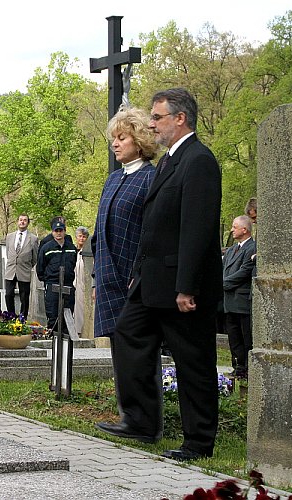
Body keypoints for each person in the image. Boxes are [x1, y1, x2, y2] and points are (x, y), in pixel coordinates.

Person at [96, 88, 222, 462]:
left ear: (179, 118)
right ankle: (141, 421)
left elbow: (197, 229)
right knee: (128, 333)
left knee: (192, 362)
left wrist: (186, 286)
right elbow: (153, 227)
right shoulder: (171, 161)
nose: (152, 123)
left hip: (182, 286)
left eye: (157, 117)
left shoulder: (198, 161)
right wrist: (137, 274)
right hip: (151, 281)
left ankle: (198, 441)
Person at [90, 107, 158, 354]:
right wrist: (96, 281)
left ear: (139, 141)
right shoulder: (112, 179)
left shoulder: (152, 177)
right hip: (108, 280)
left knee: (138, 356)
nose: (115, 145)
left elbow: (151, 233)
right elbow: (99, 234)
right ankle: (123, 395)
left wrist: (139, 275)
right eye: (113, 139)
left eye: (122, 138)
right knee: (119, 356)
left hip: (133, 282)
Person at [223, 215, 256, 379]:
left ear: (244, 229)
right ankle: (238, 366)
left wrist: (222, 284)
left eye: (234, 227)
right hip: (229, 300)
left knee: (245, 336)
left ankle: (247, 368)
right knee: (233, 336)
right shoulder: (231, 250)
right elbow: (224, 269)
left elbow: (243, 272)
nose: (232, 230)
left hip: (241, 300)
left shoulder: (252, 248)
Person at [36, 218, 77, 333]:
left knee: (67, 314)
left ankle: (65, 343)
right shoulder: (47, 248)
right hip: (52, 284)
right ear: (52, 232)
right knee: (53, 314)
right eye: (56, 231)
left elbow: (74, 263)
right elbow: (40, 267)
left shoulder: (71, 248)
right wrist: (47, 280)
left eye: (61, 230)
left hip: (68, 285)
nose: (59, 233)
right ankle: (53, 341)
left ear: (65, 231)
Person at [4, 214, 38, 319]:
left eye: (25, 220)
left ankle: (23, 317)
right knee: (8, 294)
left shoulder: (33, 238)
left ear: (28, 223)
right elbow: (8, 252)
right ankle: (11, 316)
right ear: (17, 222)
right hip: (10, 270)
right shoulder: (9, 236)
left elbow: (35, 257)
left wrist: (27, 265)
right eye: (20, 220)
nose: (22, 222)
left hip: (24, 270)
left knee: (24, 297)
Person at [73, 226, 89, 336]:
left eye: (84, 237)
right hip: (74, 283)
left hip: (84, 283)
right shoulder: (74, 251)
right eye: (80, 236)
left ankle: (82, 330)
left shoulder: (88, 252)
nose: (82, 239)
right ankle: (75, 330)